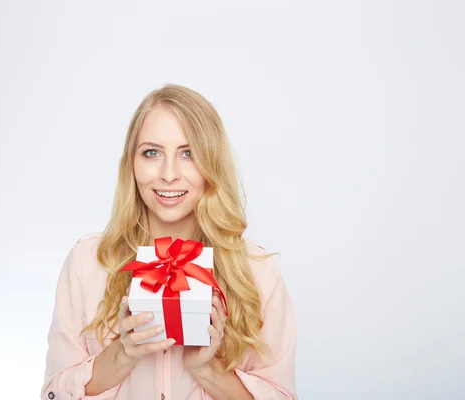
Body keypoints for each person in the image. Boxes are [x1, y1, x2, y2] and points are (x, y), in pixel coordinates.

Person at [40, 84, 298, 400]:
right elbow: (52, 394)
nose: (169, 174)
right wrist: (121, 356)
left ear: (211, 163)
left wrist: (207, 370)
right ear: (131, 164)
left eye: (188, 154)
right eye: (152, 152)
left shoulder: (256, 271)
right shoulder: (89, 261)